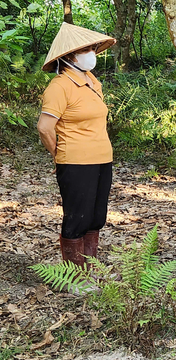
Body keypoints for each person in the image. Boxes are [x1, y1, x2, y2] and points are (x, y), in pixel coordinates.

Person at [37, 23, 117, 267]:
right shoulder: (59, 86)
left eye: (93, 48)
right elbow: (44, 127)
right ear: (69, 56)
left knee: (96, 217)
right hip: (75, 161)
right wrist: (58, 154)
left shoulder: (92, 81)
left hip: (102, 158)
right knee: (77, 219)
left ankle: (89, 270)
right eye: (86, 49)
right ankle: (74, 277)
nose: (91, 53)